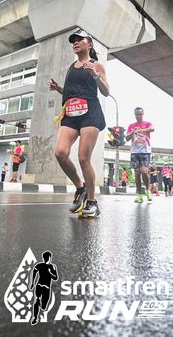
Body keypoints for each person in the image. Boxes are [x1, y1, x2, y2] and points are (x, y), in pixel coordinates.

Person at [48, 29, 109, 218]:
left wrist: (95, 76)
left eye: (79, 40)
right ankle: (80, 188)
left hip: (90, 113)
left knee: (83, 158)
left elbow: (106, 92)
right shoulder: (71, 67)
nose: (75, 43)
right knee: (60, 152)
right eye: (73, 41)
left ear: (89, 44)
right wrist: (59, 88)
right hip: (71, 113)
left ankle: (92, 201)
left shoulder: (96, 65)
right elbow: (71, 92)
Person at [127, 107, 155, 204]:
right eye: (137, 114)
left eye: (140, 114)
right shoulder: (131, 126)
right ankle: (139, 195)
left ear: (143, 114)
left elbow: (152, 128)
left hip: (145, 151)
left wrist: (142, 130)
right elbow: (127, 138)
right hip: (134, 152)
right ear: (134, 115)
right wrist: (133, 132)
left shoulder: (147, 123)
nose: (138, 116)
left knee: (144, 171)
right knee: (137, 173)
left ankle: (147, 190)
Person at [29, 251, 58, 325]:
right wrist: (32, 283)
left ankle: (39, 306)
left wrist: (32, 283)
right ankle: (35, 317)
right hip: (42, 287)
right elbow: (34, 272)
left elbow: (55, 278)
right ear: (48, 258)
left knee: (43, 306)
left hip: (43, 287)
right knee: (38, 302)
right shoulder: (42, 266)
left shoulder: (50, 266)